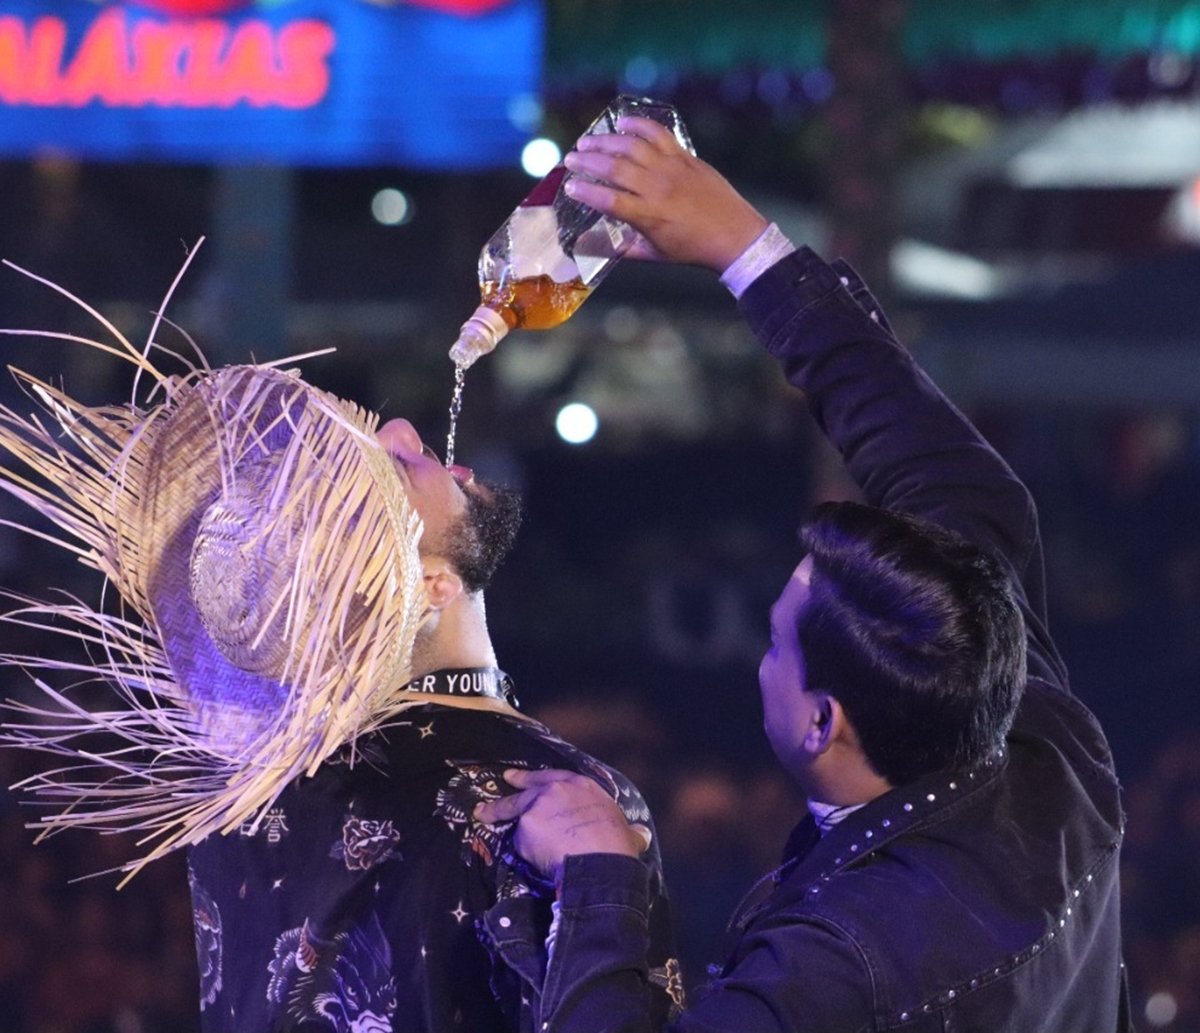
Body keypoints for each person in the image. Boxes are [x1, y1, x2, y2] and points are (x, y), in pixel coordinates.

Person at [476, 117, 1131, 1032]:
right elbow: (969, 490)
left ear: (824, 720)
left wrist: (599, 875)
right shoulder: (1040, 746)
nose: (762, 650)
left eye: (776, 639)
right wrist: (745, 248)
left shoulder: (841, 964)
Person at [0, 289, 680, 1033]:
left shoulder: (246, 791)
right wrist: (601, 873)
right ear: (428, 584)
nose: (406, 428)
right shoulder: (556, 799)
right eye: (403, 468)